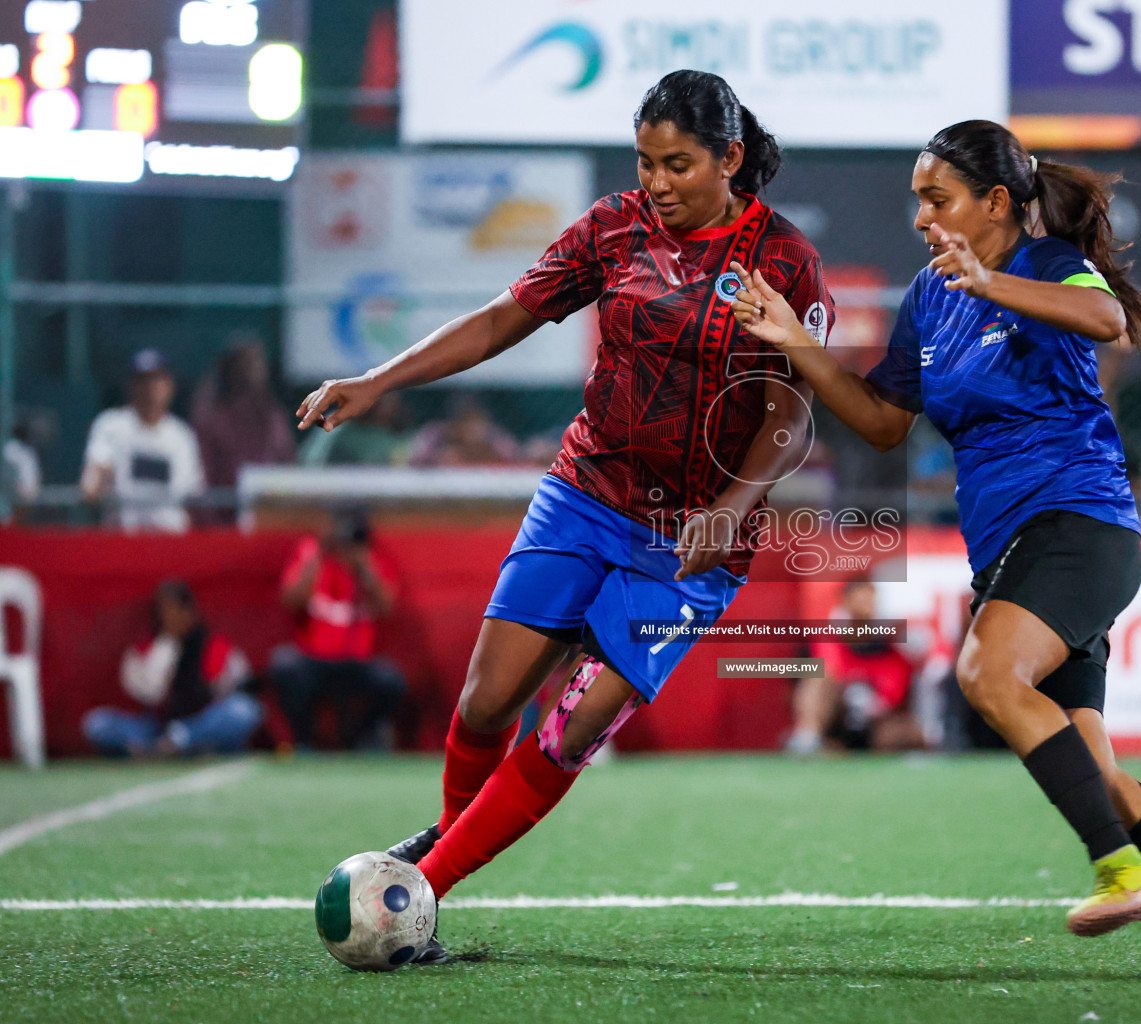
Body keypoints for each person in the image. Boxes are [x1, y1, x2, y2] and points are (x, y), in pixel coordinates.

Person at [728, 119, 1141, 979]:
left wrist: (993, 282)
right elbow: (883, 422)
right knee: (1095, 772)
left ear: (996, 202)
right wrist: (797, 345)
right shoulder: (930, 295)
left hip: (1078, 526)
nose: (920, 216)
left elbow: (1106, 316)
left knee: (987, 674)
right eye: (916, 199)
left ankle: (1120, 867)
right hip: (1012, 550)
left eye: (937, 198)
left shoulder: (1041, 265)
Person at [295, 70, 832, 964]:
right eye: (646, 161)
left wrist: (734, 505)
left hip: (692, 544)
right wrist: (378, 380)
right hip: (585, 493)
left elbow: (793, 411)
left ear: (730, 158)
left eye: (679, 164)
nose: (657, 182)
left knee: (572, 725)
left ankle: (425, 888)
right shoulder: (614, 225)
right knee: (485, 703)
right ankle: (440, 858)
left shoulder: (783, 261)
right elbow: (506, 317)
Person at [269, 507, 408, 751]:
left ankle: (361, 737)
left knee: (392, 681)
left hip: (358, 660)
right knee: (283, 665)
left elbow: (386, 607)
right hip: (313, 657)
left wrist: (363, 566)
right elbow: (291, 601)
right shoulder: (310, 552)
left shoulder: (372, 557)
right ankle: (305, 741)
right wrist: (321, 553)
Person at [82, 580, 262, 757]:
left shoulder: (218, 648)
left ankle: (180, 742)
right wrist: (168, 645)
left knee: (244, 711)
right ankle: (156, 749)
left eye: (177, 610)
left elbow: (238, 691)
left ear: (191, 612)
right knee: (97, 723)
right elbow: (152, 694)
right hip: (156, 727)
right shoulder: (142, 653)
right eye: (165, 611)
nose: (171, 617)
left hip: (199, 725)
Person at [786, 580, 924, 754]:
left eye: (870, 601)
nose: (865, 607)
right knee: (818, 678)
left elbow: (895, 697)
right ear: (845, 602)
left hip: (874, 723)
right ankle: (808, 738)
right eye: (859, 600)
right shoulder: (825, 643)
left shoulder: (892, 653)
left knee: (904, 734)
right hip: (836, 717)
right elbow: (806, 687)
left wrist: (875, 707)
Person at [80, 348, 206, 532]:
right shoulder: (110, 426)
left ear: (170, 385)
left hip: (170, 540)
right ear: (132, 385)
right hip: (123, 539)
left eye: (158, 379)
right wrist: (96, 480)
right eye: (143, 380)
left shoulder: (183, 436)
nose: (151, 386)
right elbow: (92, 482)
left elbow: (194, 494)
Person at [191, 335, 297, 493]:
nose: (255, 369)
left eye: (258, 362)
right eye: (247, 363)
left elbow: (288, 462)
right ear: (231, 368)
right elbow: (202, 476)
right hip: (224, 507)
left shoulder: (272, 413)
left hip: (268, 506)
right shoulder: (211, 416)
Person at [298, 390, 413, 467]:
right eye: (376, 392)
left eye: (388, 392)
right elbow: (312, 465)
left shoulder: (405, 436)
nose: (381, 399)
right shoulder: (336, 426)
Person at [407, 393, 520, 467]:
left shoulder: (492, 436)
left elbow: (515, 459)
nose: (469, 427)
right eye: (464, 418)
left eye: (473, 418)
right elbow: (415, 460)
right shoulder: (436, 433)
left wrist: (484, 449)